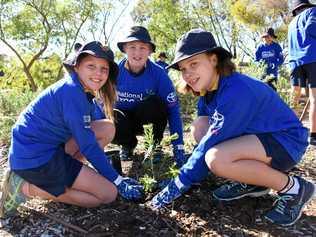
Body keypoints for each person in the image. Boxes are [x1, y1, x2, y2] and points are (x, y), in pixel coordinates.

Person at [150, 28, 315, 227]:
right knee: (199, 126)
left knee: (216, 158)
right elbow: (206, 134)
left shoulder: (236, 90)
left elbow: (211, 143)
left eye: (194, 63)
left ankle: (294, 188)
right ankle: (255, 180)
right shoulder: (208, 89)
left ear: (213, 59)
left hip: (286, 143)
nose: (188, 73)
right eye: (183, 68)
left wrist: (180, 181)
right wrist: (189, 172)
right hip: (260, 139)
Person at [0, 41, 144, 218]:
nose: (98, 73)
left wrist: (108, 171)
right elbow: (88, 145)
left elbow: (97, 126)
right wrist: (117, 179)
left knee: (107, 128)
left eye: (103, 69)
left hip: (44, 149)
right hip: (36, 159)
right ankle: (24, 187)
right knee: (107, 194)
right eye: (91, 66)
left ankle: (69, 177)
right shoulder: (71, 92)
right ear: (76, 67)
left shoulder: (82, 89)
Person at [113, 26, 186, 167]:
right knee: (113, 115)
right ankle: (127, 145)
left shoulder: (159, 75)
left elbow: (173, 111)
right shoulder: (113, 72)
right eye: (132, 47)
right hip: (125, 123)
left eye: (143, 48)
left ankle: (153, 145)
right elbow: (99, 105)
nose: (137, 53)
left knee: (154, 103)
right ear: (124, 49)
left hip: (148, 121)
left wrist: (179, 148)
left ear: (150, 51)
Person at [288, 0, 316, 146]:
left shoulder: (292, 23)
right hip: (312, 59)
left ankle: (289, 131)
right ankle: (313, 135)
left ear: (296, 9)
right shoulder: (312, 12)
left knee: (296, 97)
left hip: (294, 62)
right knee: (314, 97)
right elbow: (312, 28)